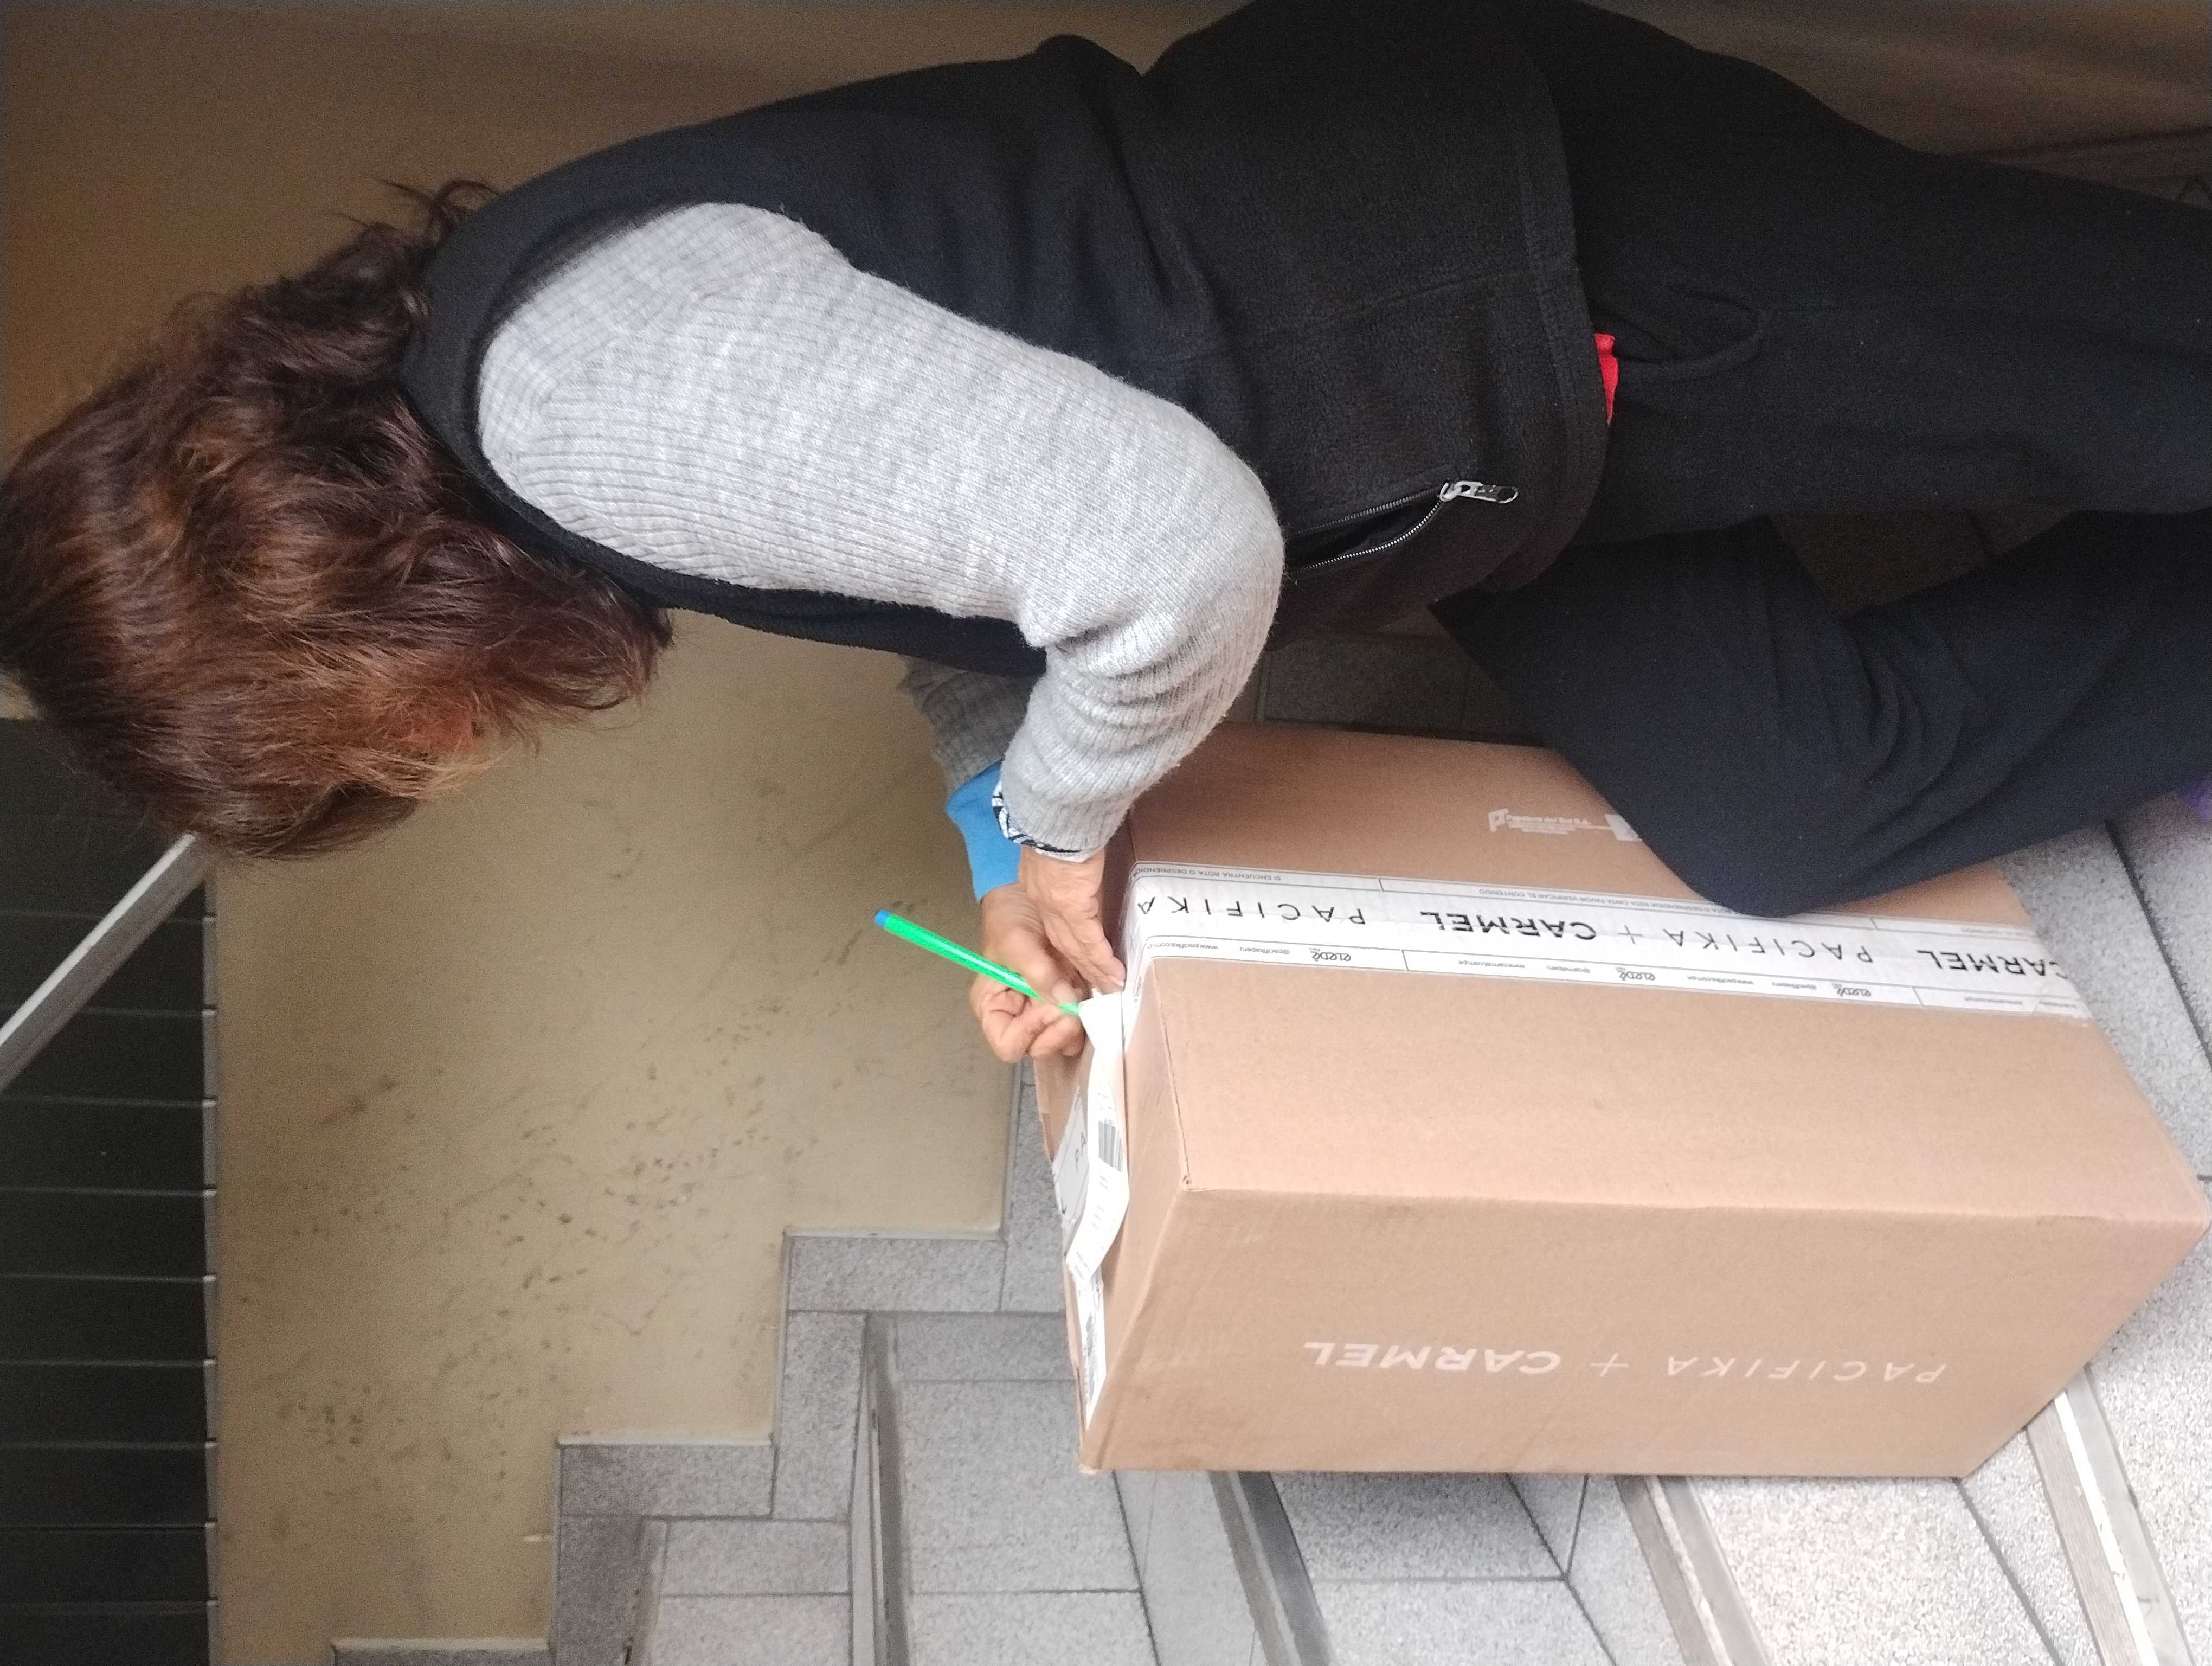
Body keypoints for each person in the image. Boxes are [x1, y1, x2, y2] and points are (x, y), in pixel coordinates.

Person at [3, 0, 2208, 1067]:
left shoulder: (586, 409)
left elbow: (1165, 548)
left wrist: (1069, 825)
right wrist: (1008, 846)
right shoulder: (533, 428)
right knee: (1792, 800)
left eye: (365, 756)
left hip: (1529, 262)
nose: (436, 769)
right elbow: (971, 570)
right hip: (1460, 437)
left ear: (311, 632)